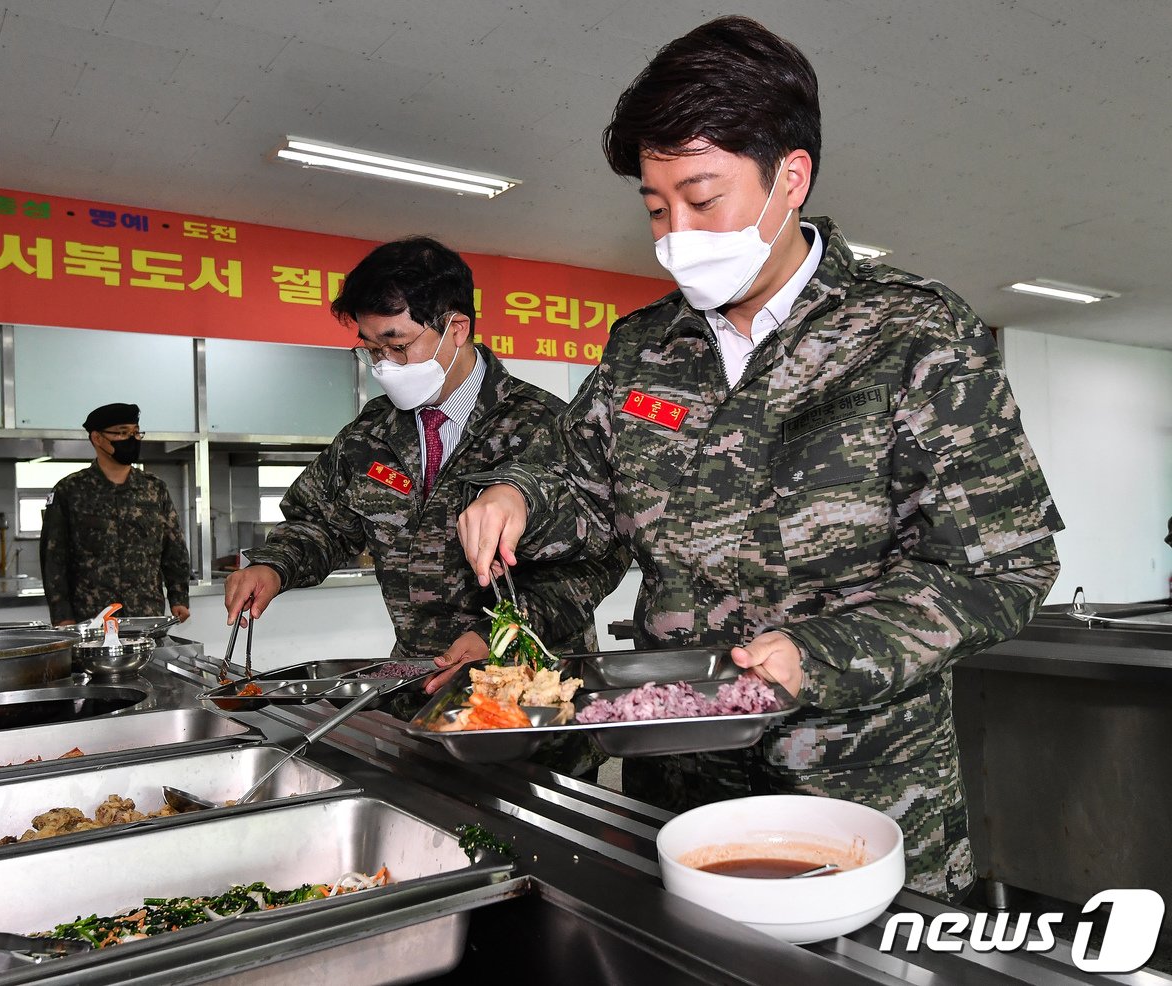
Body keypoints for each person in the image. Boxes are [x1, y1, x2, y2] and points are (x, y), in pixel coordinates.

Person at [456, 16, 1062, 901]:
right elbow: (581, 489)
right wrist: (519, 495)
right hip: (680, 784)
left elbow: (1003, 567)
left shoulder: (913, 334)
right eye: (657, 208)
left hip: (860, 783)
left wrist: (818, 652)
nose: (676, 234)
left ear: (791, 178)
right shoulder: (643, 349)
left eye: (704, 199)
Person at [223, 237, 628, 773]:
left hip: (531, 712)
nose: (383, 364)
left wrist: (501, 635)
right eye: (370, 348)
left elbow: (599, 556)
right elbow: (320, 522)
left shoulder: (546, 425)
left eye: (397, 344)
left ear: (455, 329)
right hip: (419, 702)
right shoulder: (371, 432)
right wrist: (274, 566)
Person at [40, 402, 191, 627]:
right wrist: (62, 615)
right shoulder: (70, 490)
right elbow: (54, 557)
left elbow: (174, 548)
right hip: (91, 618)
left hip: (146, 615)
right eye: (122, 433)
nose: (131, 439)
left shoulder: (154, 489)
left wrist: (179, 597)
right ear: (97, 438)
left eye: (135, 432)